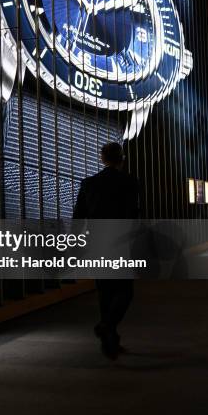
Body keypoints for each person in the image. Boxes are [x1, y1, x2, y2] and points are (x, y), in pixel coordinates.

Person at [73, 142, 140, 359]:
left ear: (102, 158)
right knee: (125, 291)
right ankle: (107, 326)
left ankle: (109, 343)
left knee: (105, 291)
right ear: (122, 158)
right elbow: (133, 214)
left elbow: (78, 217)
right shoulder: (129, 182)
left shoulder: (88, 183)